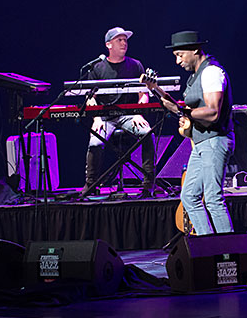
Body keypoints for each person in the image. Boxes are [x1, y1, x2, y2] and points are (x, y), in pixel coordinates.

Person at [144, 30, 234, 235]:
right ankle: (208, 245)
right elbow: (179, 108)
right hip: (202, 143)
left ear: (195, 50)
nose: (178, 61)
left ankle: (230, 248)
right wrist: (155, 89)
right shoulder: (196, 76)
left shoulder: (211, 72)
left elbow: (212, 113)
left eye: (180, 55)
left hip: (215, 140)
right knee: (189, 196)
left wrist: (186, 112)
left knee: (213, 198)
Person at [83, 27, 157, 198]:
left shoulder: (136, 65)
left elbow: (143, 93)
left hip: (129, 114)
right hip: (104, 116)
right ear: (109, 45)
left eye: (125, 40)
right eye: (119, 40)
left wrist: (139, 112)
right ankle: (90, 183)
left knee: (147, 133)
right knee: (95, 142)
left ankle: (148, 183)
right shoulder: (96, 67)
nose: (124, 43)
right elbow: (90, 97)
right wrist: (96, 117)